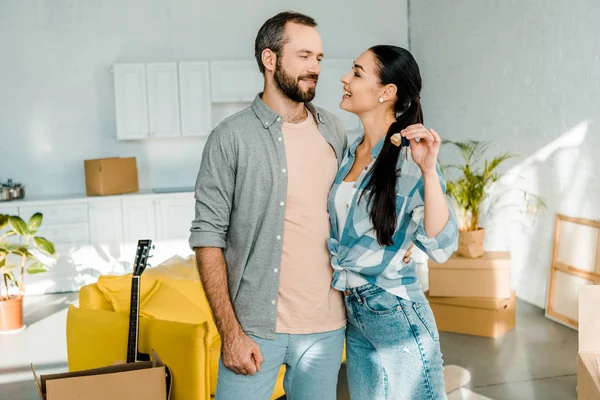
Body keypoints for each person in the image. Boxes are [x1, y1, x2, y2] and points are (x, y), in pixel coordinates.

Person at [189, 11, 414, 400]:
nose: (315, 69)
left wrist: (403, 239)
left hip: (327, 328)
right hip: (255, 329)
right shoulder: (230, 138)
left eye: (320, 59)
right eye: (304, 56)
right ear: (270, 59)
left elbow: (357, 208)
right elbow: (208, 237)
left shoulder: (333, 129)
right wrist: (230, 333)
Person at [328, 45, 459, 399]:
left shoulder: (409, 158)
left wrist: (429, 171)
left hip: (395, 310)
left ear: (386, 92)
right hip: (355, 312)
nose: (344, 78)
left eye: (356, 73)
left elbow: (442, 245)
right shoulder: (349, 152)